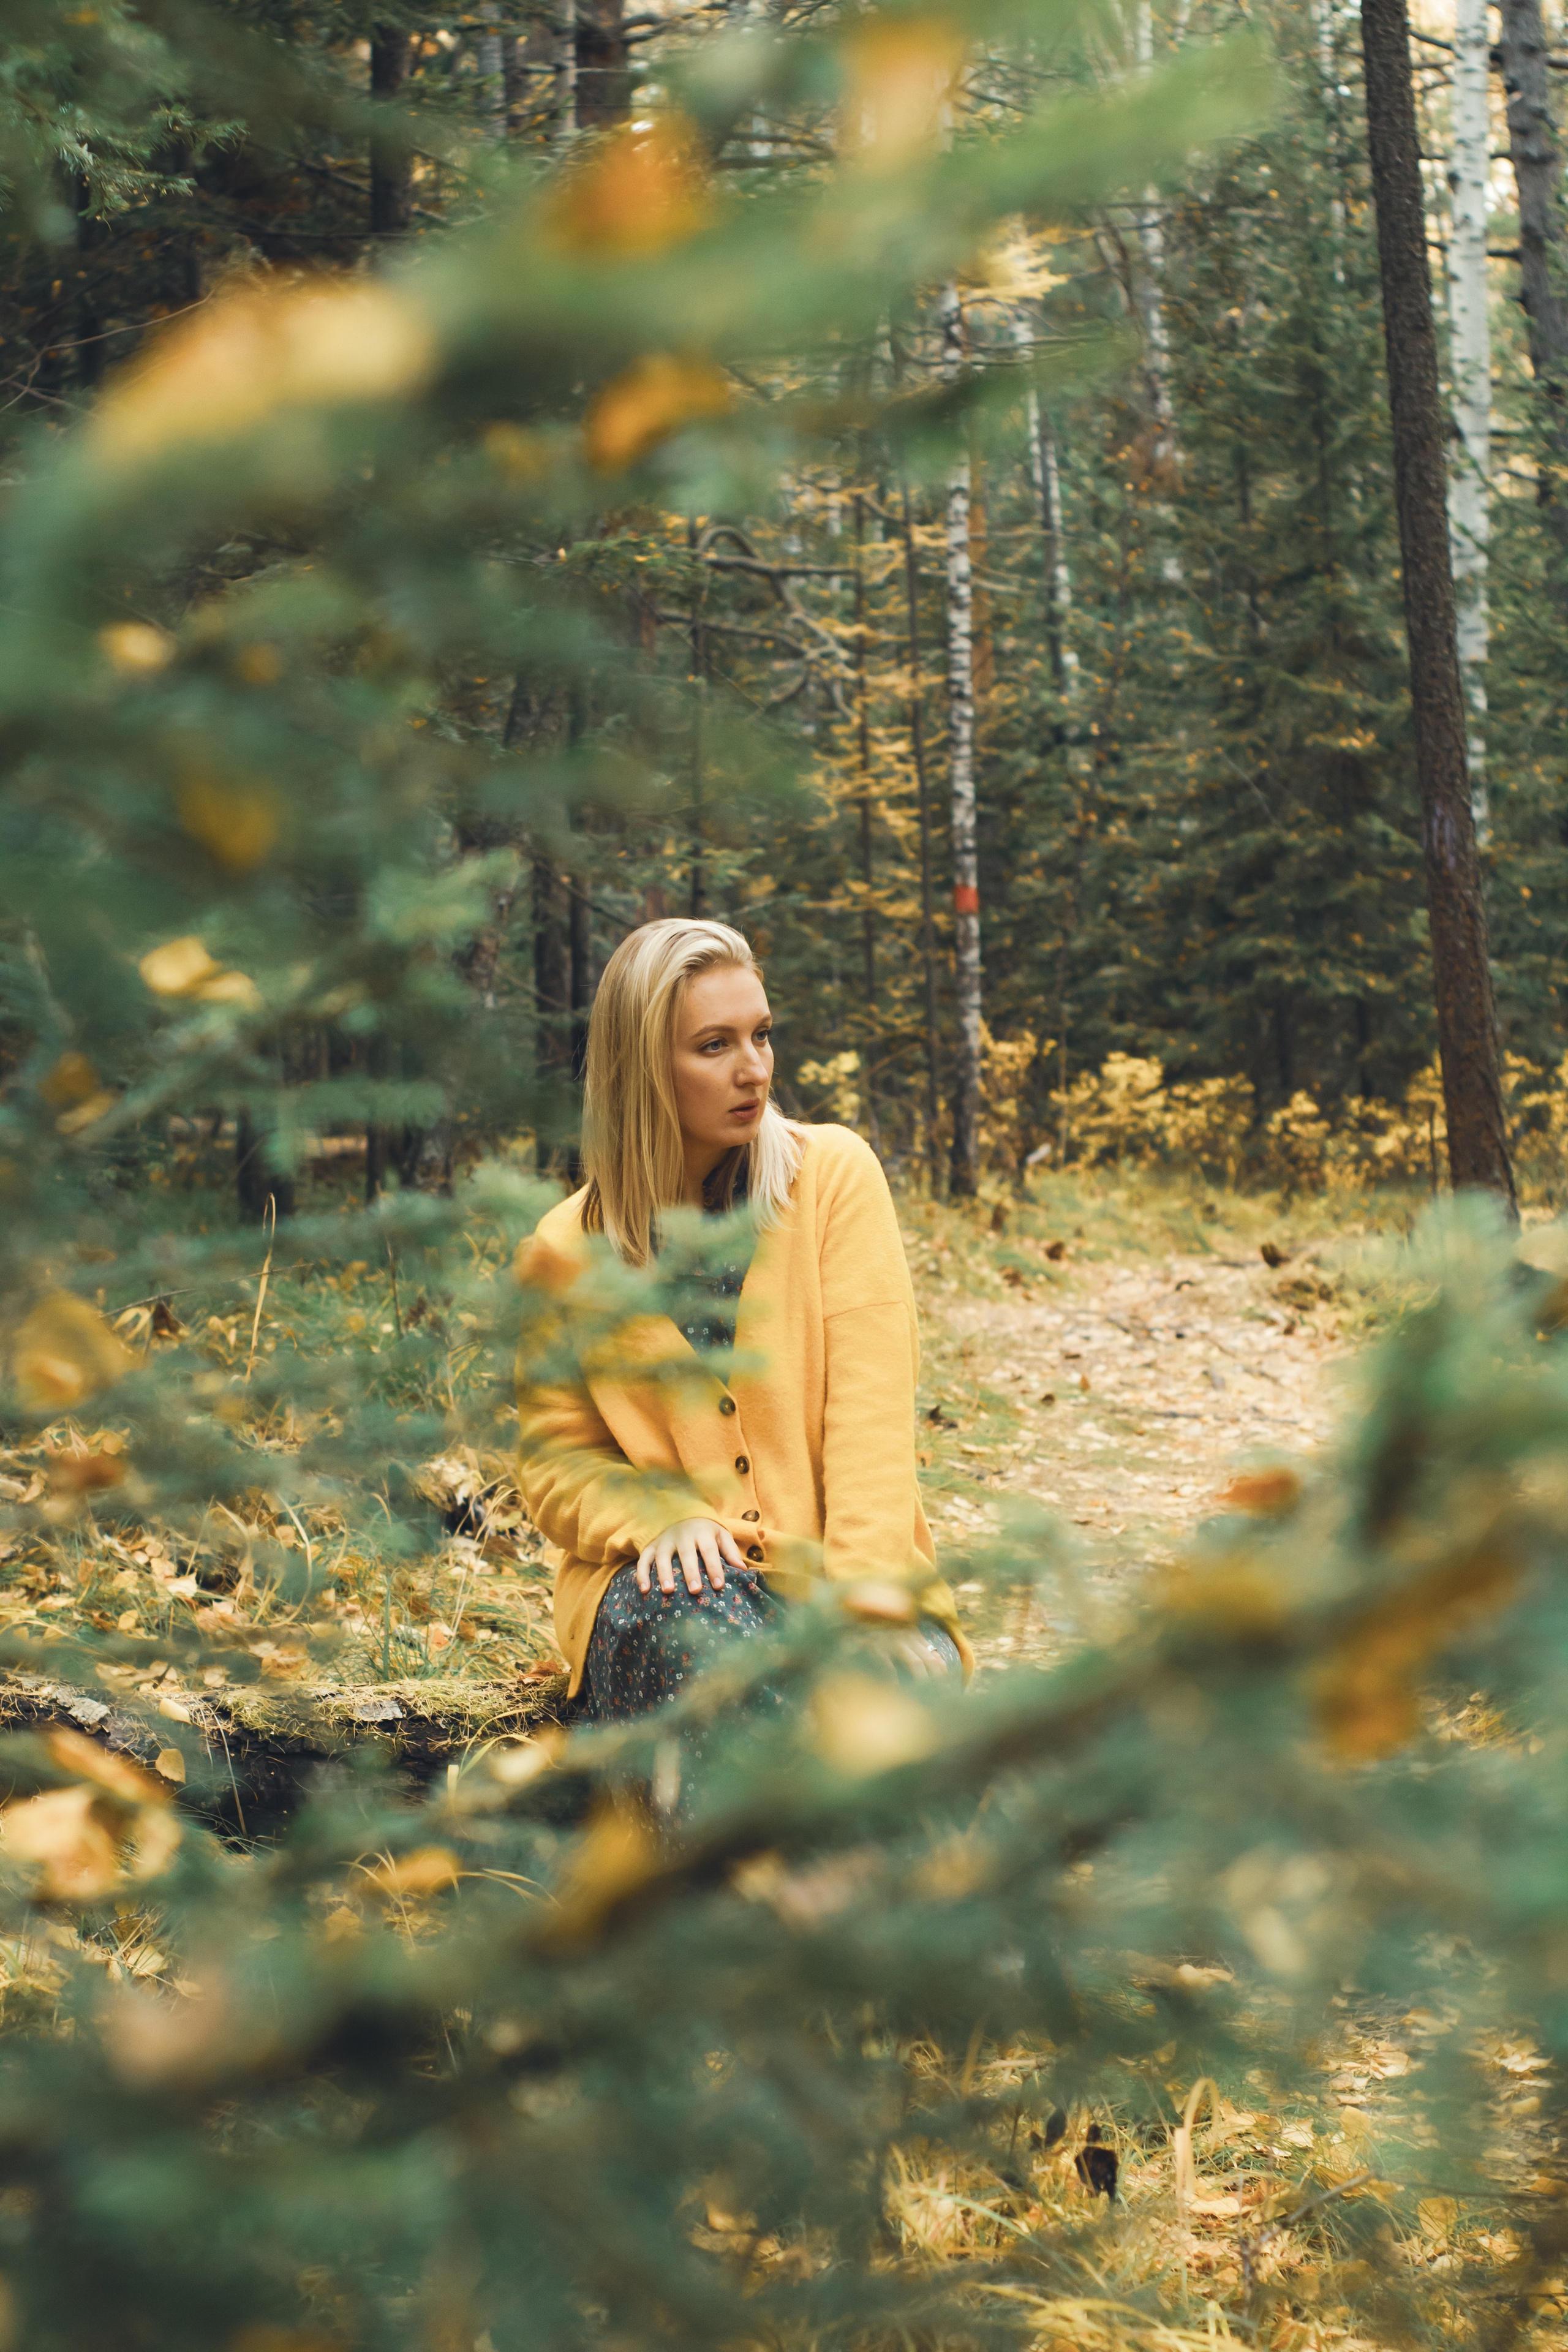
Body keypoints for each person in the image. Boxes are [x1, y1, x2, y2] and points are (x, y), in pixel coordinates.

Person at [514, 916, 970, 1732]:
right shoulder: (563, 1251)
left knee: (878, 1708)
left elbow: (871, 1418)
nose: (754, 1069)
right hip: (672, 1599)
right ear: (642, 1067)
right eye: (714, 1045)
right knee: (705, 1642)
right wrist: (663, 1517)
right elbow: (554, 1465)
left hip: (850, 1584)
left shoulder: (832, 1178)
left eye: (761, 1035)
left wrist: (866, 1602)